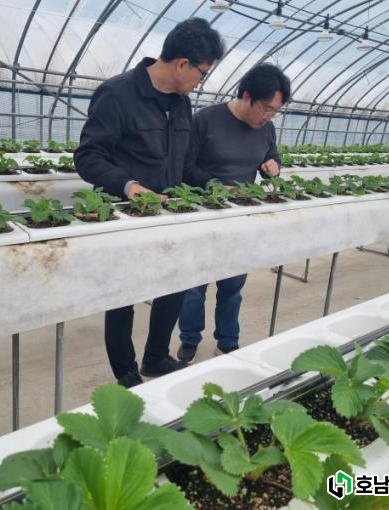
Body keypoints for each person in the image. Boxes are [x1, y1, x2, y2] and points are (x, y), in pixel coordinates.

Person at [75, 18, 224, 388]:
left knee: (175, 282)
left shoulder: (182, 104)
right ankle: (126, 372)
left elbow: (184, 164)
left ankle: (156, 357)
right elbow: (89, 157)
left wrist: (216, 186)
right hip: (127, 215)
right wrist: (130, 187)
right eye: (202, 73)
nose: (201, 82)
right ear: (182, 64)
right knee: (122, 295)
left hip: (169, 214)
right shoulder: (117, 94)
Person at [177, 63, 292, 364]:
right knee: (194, 285)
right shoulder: (206, 120)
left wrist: (273, 167)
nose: (269, 116)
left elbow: (272, 159)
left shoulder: (266, 129)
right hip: (202, 214)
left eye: (275, 111)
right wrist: (215, 186)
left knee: (233, 284)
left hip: (240, 217)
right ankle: (189, 338)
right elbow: (185, 166)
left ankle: (227, 341)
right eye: (266, 108)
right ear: (247, 96)